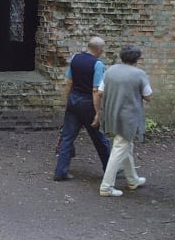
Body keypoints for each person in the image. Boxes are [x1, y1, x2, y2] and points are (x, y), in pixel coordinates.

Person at [53, 36, 111, 181]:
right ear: (98, 49)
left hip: (74, 101)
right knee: (100, 139)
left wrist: (68, 101)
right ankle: (111, 170)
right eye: (102, 49)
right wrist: (98, 112)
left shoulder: (75, 58)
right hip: (88, 104)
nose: (102, 51)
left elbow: (69, 82)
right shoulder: (98, 65)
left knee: (67, 137)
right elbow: (95, 90)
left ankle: (60, 172)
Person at [98, 44, 152, 197]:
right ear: (137, 58)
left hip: (111, 114)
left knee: (126, 145)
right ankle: (106, 186)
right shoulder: (139, 73)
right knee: (119, 147)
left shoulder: (111, 70)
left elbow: (101, 91)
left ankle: (132, 179)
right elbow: (148, 96)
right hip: (129, 117)